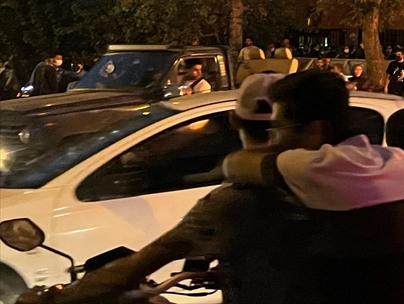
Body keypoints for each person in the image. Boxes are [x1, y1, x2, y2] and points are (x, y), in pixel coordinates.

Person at [15, 74, 318, 304]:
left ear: (234, 119)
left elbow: (137, 266)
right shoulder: (334, 184)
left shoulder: (236, 200)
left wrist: (51, 300)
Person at [224, 70, 404, 303]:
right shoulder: (400, 160)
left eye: (278, 129)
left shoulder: (316, 168)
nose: (273, 140)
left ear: (318, 130)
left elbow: (234, 164)